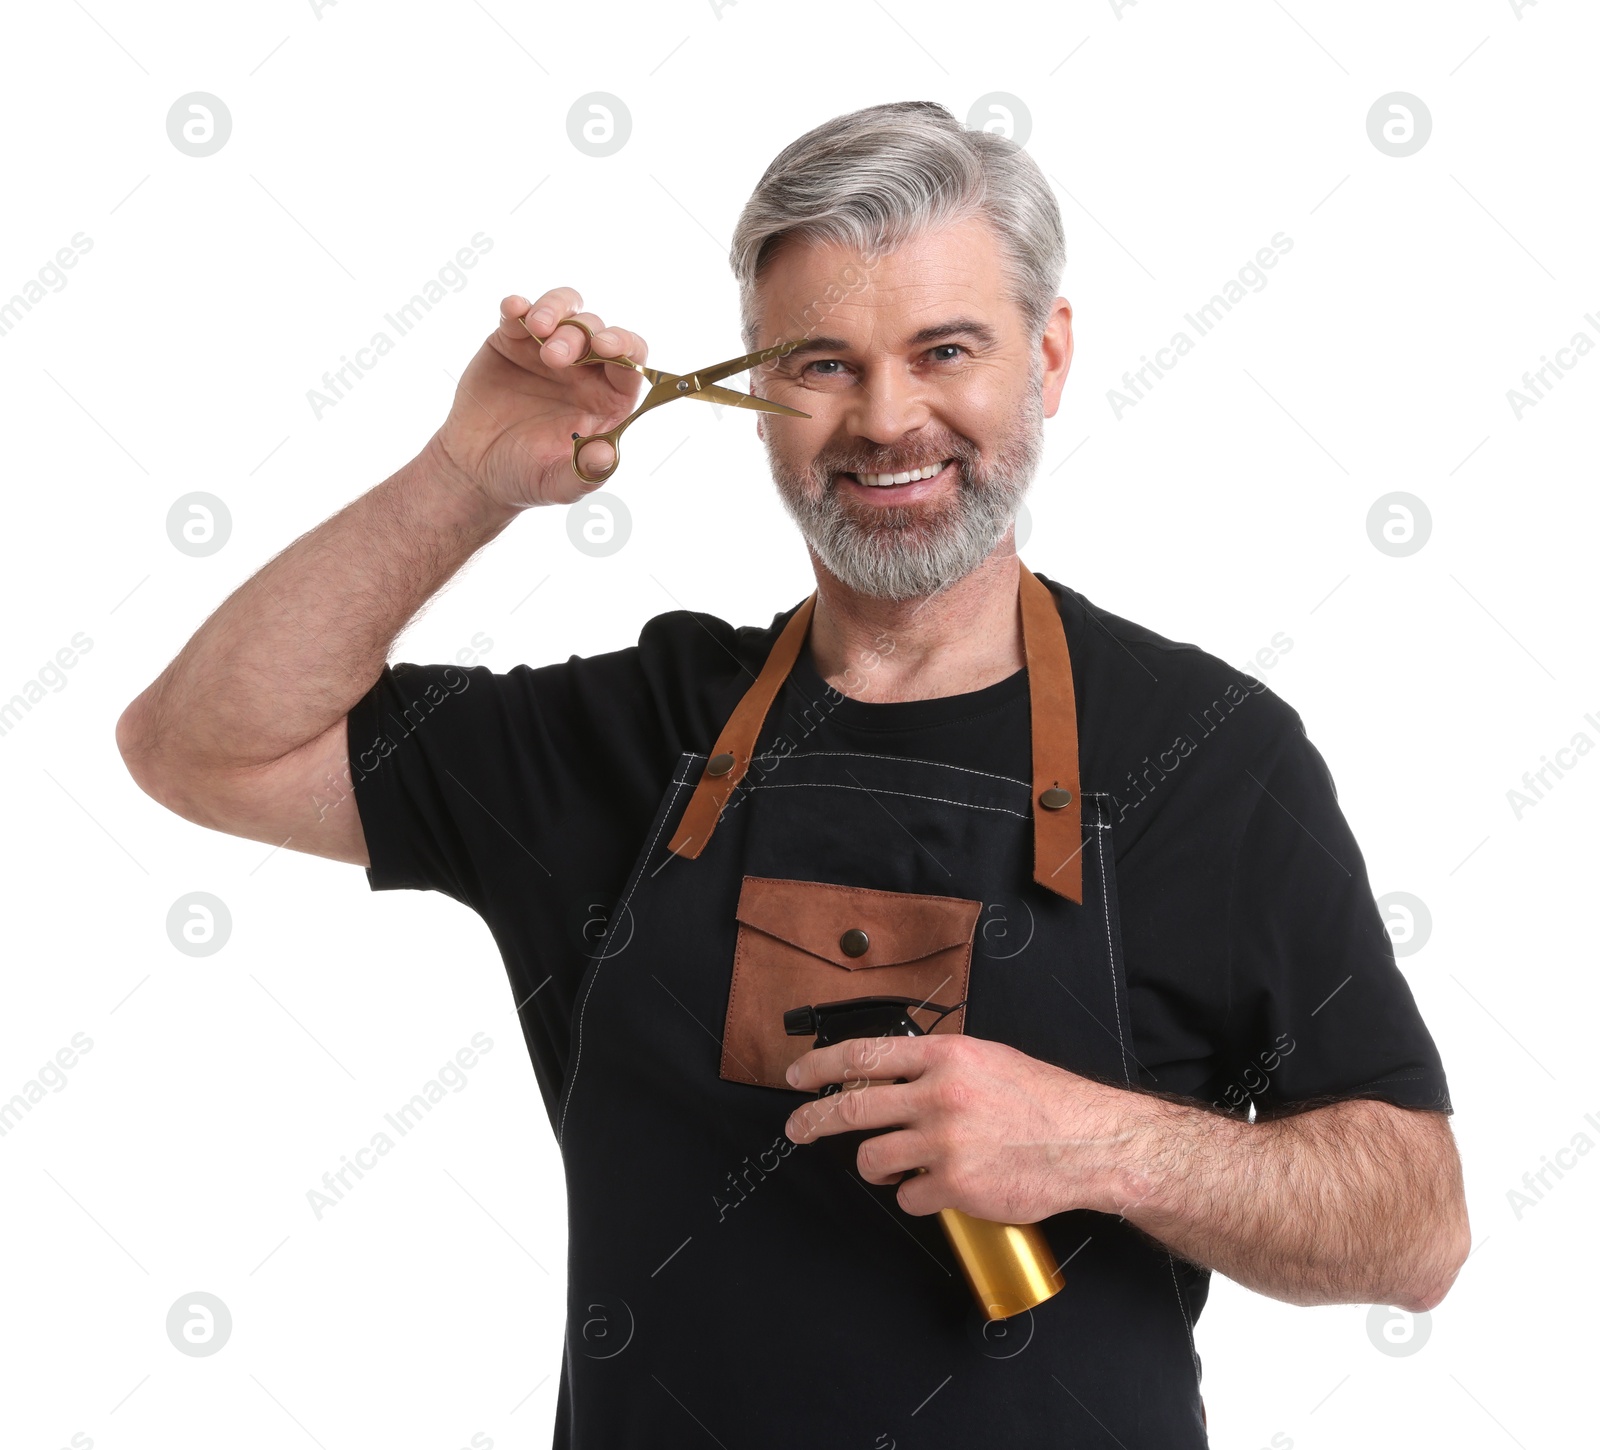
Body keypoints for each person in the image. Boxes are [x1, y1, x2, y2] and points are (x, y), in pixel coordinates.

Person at [117, 100, 1468, 1447]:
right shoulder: (634, 736)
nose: (887, 419)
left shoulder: (1210, 757)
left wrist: (1095, 1141)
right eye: (823, 363)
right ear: (757, 392)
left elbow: (1416, 1227)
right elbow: (200, 745)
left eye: (947, 349)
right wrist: (465, 478)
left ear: (1046, 358)